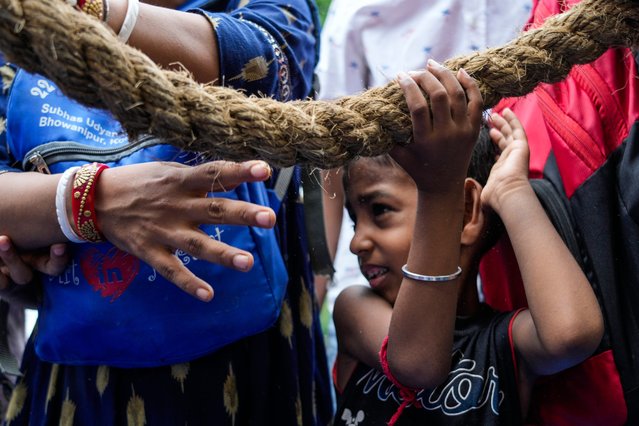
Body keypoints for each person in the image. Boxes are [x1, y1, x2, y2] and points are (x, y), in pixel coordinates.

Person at [0, 0, 332, 424]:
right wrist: (94, 200)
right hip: (77, 383)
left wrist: (83, 10)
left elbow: (264, 68)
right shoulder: (18, 27)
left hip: (252, 370)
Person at [332, 62, 604, 424]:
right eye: (354, 219)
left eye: (379, 211)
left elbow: (571, 336)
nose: (356, 242)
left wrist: (511, 191)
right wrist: (440, 188)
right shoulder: (355, 309)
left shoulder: (504, 342)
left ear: (465, 212)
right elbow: (416, 363)